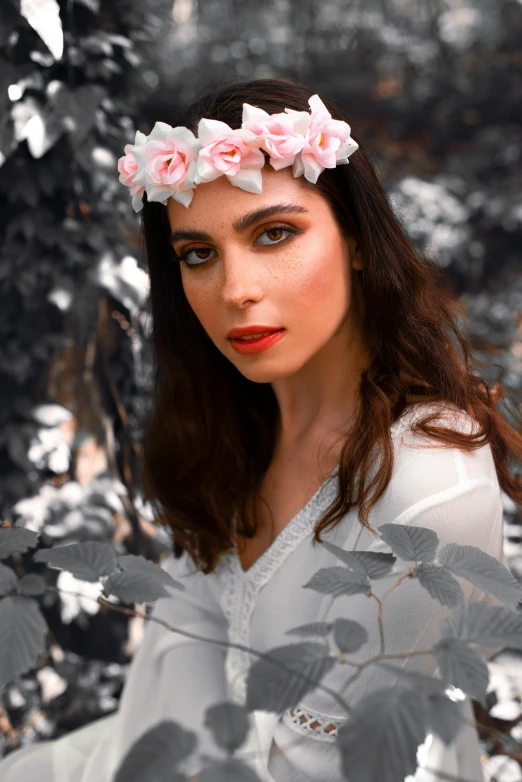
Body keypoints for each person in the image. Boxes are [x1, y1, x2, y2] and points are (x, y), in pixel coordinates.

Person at [1, 77, 521, 782]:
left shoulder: (427, 492)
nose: (235, 289)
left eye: (274, 233)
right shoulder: (233, 421)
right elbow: (194, 643)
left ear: (357, 239)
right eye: (197, 254)